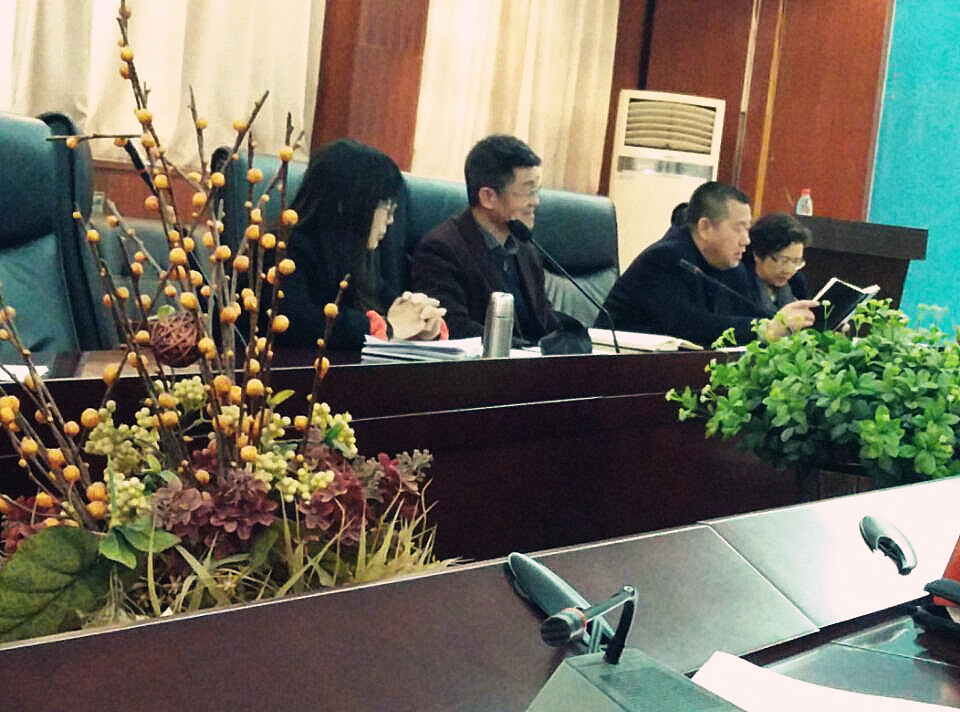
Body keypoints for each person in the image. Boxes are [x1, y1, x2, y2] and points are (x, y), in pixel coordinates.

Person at [597, 181, 818, 347]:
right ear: (705, 227)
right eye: (738, 228)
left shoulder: (730, 265)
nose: (746, 240)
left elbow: (742, 317)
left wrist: (787, 325)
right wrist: (766, 329)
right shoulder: (665, 260)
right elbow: (689, 327)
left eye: (747, 228)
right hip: (619, 366)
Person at [274, 139, 446, 350]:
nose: (391, 220)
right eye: (386, 208)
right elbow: (299, 324)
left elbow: (386, 304)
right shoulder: (284, 251)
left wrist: (420, 319)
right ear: (346, 204)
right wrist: (388, 326)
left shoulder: (361, 256)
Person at [409, 134, 560, 344]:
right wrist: (526, 350)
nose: (536, 202)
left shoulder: (526, 249)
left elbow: (546, 320)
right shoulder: (442, 249)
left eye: (537, 191)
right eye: (527, 191)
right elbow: (452, 326)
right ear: (488, 197)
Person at [743, 212, 811, 314]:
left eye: (796, 261)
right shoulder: (740, 281)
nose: (788, 270)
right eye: (783, 261)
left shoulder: (796, 282)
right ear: (757, 254)